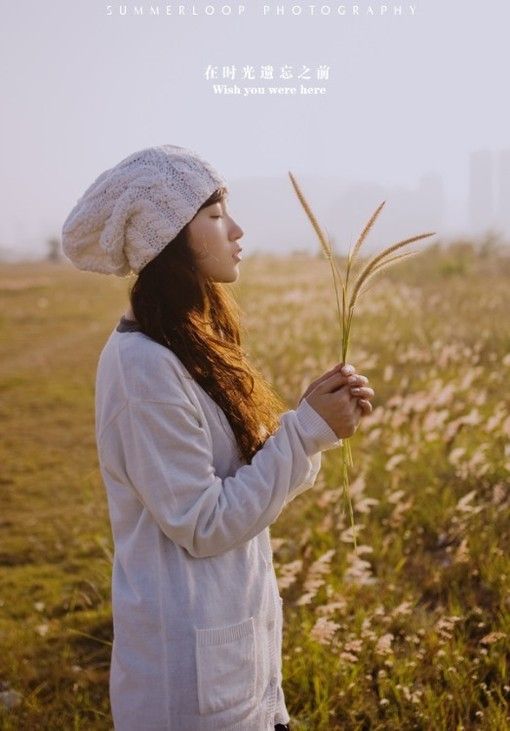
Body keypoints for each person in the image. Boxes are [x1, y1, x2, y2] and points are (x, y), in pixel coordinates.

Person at [61, 144, 375, 731]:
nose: (236, 229)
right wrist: (306, 432)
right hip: (190, 689)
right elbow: (203, 523)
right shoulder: (144, 367)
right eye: (213, 215)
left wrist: (311, 419)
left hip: (236, 666)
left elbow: (241, 482)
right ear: (168, 239)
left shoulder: (190, 344)